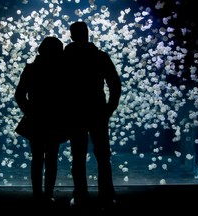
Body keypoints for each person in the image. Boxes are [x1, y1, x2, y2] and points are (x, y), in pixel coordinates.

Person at [63, 21, 122, 211]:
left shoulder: (66, 57)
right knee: (103, 154)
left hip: (75, 111)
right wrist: (110, 108)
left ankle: (80, 195)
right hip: (97, 109)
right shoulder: (100, 56)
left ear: (72, 36)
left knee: (78, 155)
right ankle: (107, 195)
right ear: (87, 34)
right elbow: (114, 84)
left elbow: (57, 85)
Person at [14, 36, 68, 208]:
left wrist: (30, 111)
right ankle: (47, 195)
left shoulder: (31, 69)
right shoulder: (61, 70)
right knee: (51, 157)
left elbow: (19, 95)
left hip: (36, 118)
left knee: (37, 158)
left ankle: (38, 195)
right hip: (54, 118)